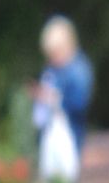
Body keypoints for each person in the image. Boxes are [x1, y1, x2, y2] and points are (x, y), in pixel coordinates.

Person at [30, 16, 93, 154]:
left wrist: (53, 98)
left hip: (70, 136)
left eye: (55, 53)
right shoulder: (52, 70)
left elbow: (79, 104)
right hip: (50, 136)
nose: (52, 59)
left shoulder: (78, 70)